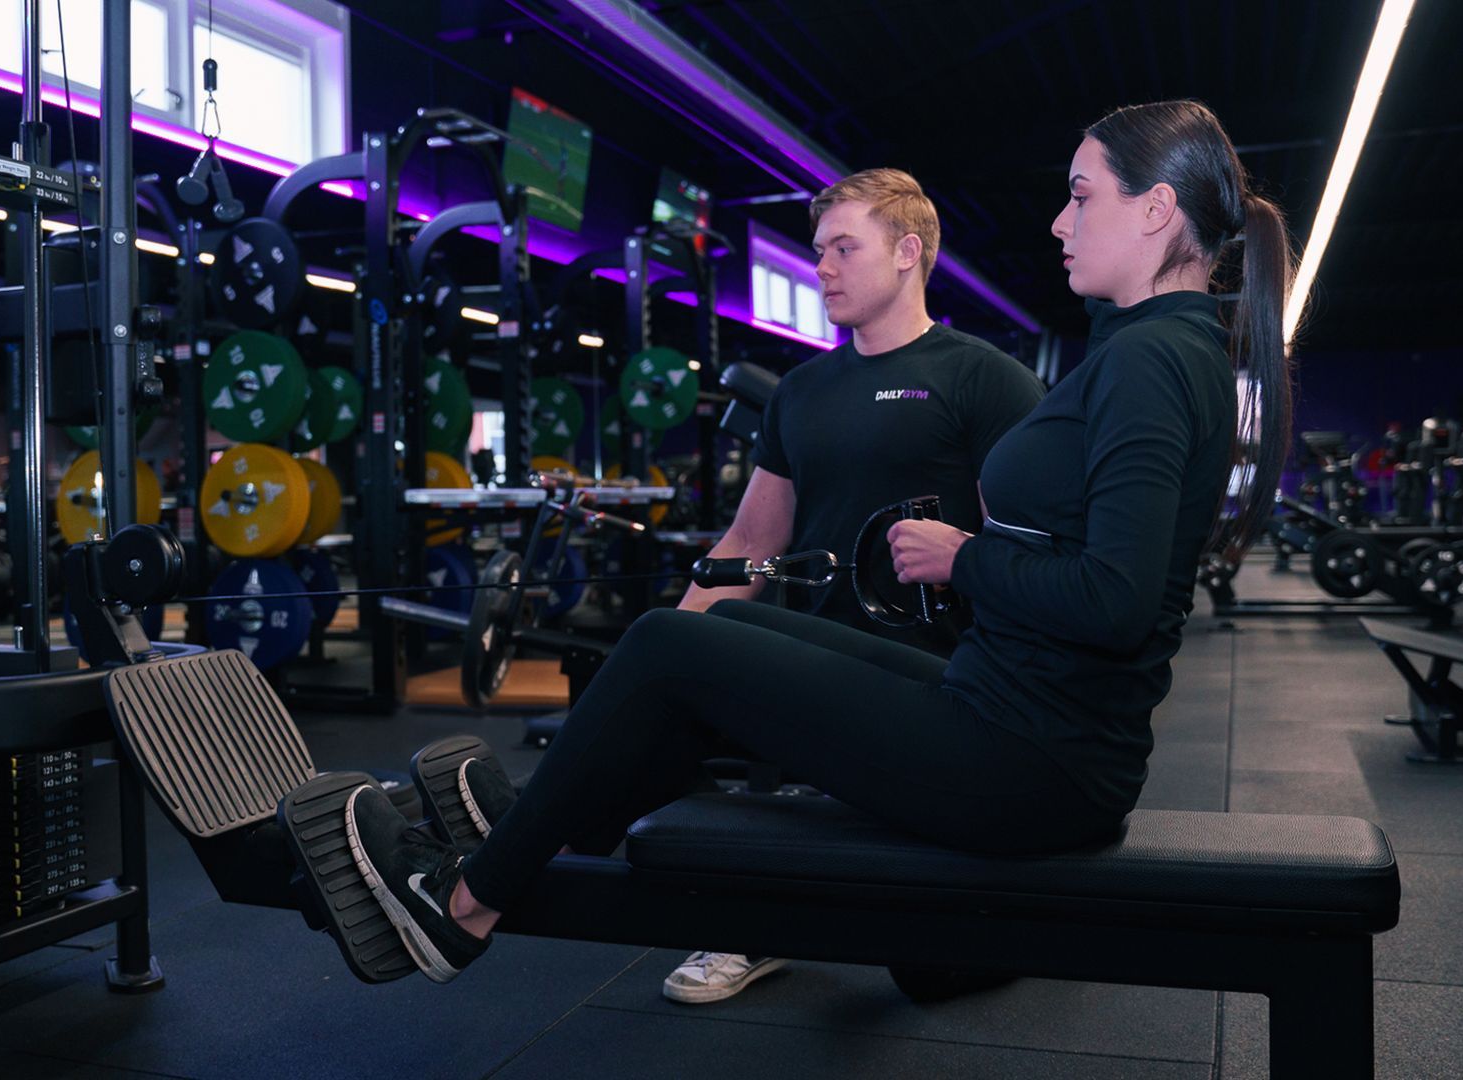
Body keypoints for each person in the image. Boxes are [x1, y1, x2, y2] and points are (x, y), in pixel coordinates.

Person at [326, 98, 1296, 987]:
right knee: (708, 641)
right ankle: (538, 828)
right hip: (1013, 715)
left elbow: (1117, 599)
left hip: (1031, 760)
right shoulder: (1159, 348)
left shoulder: (1146, 359)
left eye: (1081, 196)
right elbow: (760, 538)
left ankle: (463, 903)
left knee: (672, 648)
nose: (1060, 221)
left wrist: (963, 559)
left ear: (1157, 210)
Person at [660, 168, 1043, 1002]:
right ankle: (753, 921)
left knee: (937, 976)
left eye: (843, 248)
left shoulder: (986, 380)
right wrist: (662, 649)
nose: (822, 268)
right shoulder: (799, 392)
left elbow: (1033, 543)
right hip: (820, 655)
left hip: (943, 674)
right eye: (818, 250)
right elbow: (753, 540)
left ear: (908, 253)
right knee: (660, 707)